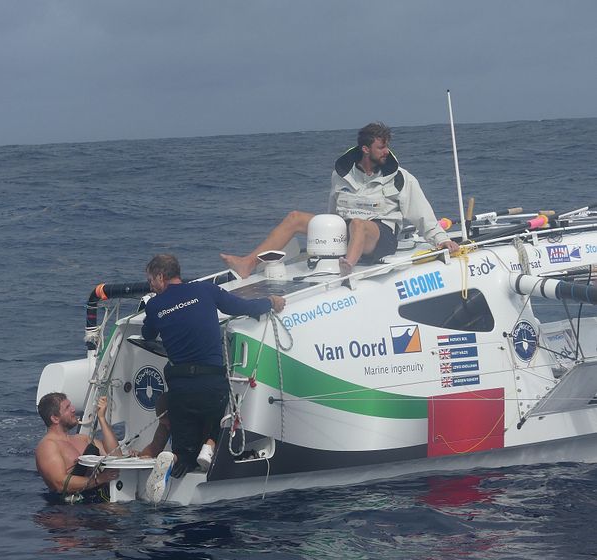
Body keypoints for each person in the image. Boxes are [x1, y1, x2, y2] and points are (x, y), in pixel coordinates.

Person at [220, 122, 460, 278]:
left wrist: (441, 240)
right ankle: (248, 263)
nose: (386, 152)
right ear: (365, 149)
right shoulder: (341, 175)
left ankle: (348, 267)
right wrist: (325, 234)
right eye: (381, 147)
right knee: (295, 218)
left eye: (387, 147)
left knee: (358, 224)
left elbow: (422, 215)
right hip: (348, 232)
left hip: (381, 236)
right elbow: (332, 214)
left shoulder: (401, 178)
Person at [141, 254, 285, 503]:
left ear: (161, 277)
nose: (151, 285)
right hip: (212, 383)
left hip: (181, 388)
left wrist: (156, 306)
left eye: (151, 280)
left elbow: (147, 332)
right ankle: (210, 446)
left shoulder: (155, 306)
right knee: (223, 414)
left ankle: (175, 458)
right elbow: (243, 307)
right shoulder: (205, 290)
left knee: (184, 450)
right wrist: (271, 301)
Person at [35, 393, 121, 502]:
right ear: (55, 418)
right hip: (71, 510)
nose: (73, 409)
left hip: (98, 499)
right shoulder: (47, 447)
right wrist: (99, 479)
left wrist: (102, 418)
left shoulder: (82, 439)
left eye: (71, 405)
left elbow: (116, 455)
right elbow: (59, 483)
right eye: (67, 408)